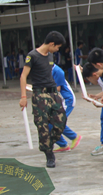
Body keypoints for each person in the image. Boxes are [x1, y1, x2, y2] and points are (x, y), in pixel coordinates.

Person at [19, 31, 68, 168]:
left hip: (53, 94)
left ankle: (48, 143)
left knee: (61, 122)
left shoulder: (50, 55)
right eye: (57, 47)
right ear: (51, 44)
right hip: (40, 95)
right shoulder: (32, 56)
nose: (57, 50)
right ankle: (49, 154)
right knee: (42, 126)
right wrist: (23, 97)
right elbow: (23, 76)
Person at [51, 63, 82, 153]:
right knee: (50, 122)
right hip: (56, 100)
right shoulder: (46, 70)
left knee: (56, 121)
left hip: (66, 100)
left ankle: (74, 136)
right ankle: (63, 144)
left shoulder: (57, 71)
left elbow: (57, 89)